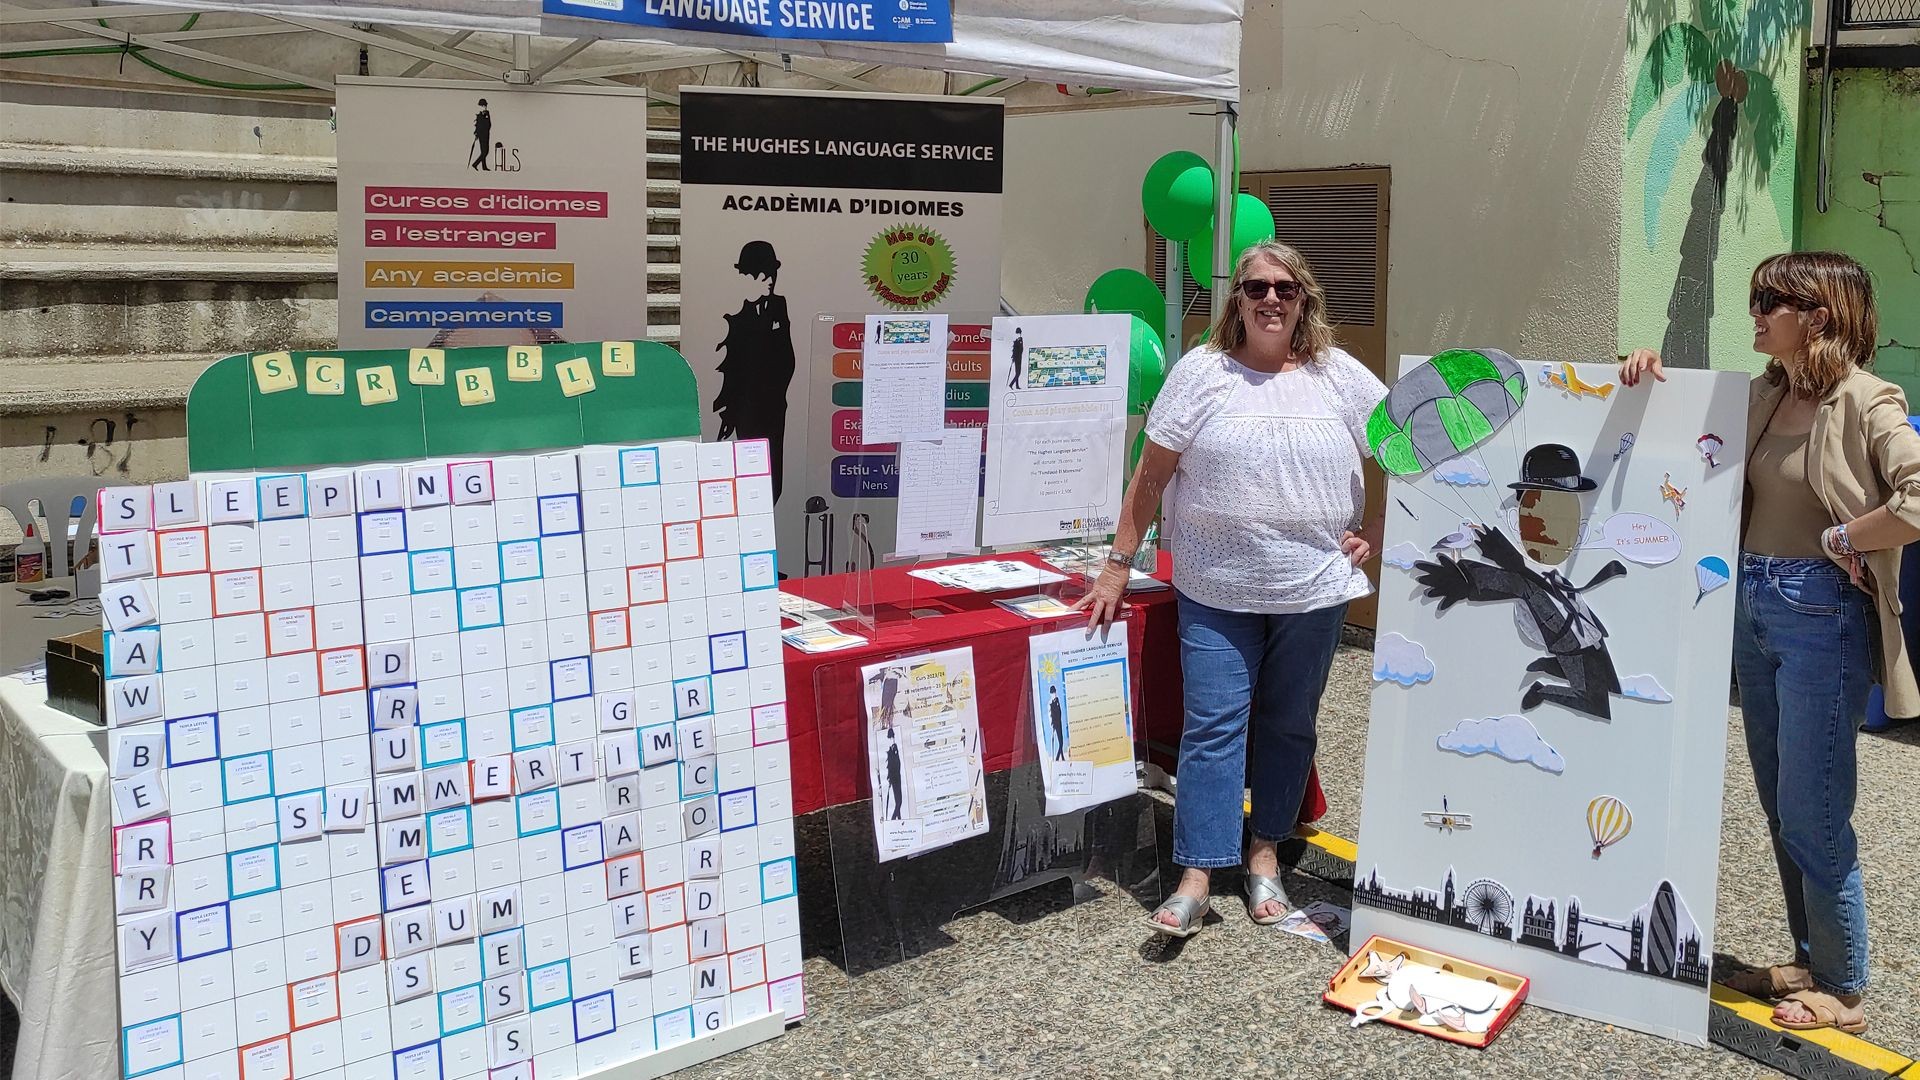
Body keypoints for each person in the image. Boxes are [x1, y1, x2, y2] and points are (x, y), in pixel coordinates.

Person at [1620, 251, 1920, 1034]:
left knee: (1813, 810)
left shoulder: (1867, 400)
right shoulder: (1764, 393)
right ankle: (1810, 954)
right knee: (1780, 799)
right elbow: (1678, 445)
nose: (1755, 312)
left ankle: (1845, 988)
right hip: (1749, 607)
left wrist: (1846, 534)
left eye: (1771, 301)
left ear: (1818, 316)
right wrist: (1647, 372)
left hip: (1819, 612)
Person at [1076, 240, 1386, 937]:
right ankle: (1195, 873)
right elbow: (1150, 476)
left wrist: (1373, 526)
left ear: (1304, 298)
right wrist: (1118, 564)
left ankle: (1265, 855)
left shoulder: (1338, 375)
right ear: (1237, 300)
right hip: (1218, 588)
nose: (1270, 299)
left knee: (1288, 724)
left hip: (1312, 588)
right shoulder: (1203, 372)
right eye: (1255, 288)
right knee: (1214, 726)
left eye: (1284, 288)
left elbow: (1403, 444)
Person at [713, 241, 796, 501]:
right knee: (749, 472)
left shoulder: (779, 305)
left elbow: (786, 355)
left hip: (773, 405)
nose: (770, 280)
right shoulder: (734, 312)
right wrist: (730, 410)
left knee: (774, 474)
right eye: (763, 274)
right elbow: (733, 364)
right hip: (746, 408)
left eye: (772, 273)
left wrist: (775, 389)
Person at [470, 99, 491, 171]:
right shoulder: (479, 115)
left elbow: (489, 124)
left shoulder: (487, 113)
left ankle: (484, 167)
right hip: (482, 135)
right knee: (485, 151)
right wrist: (477, 134)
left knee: (484, 151)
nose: (485, 107)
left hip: (487, 134)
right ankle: (475, 164)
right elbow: (478, 125)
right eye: (484, 105)